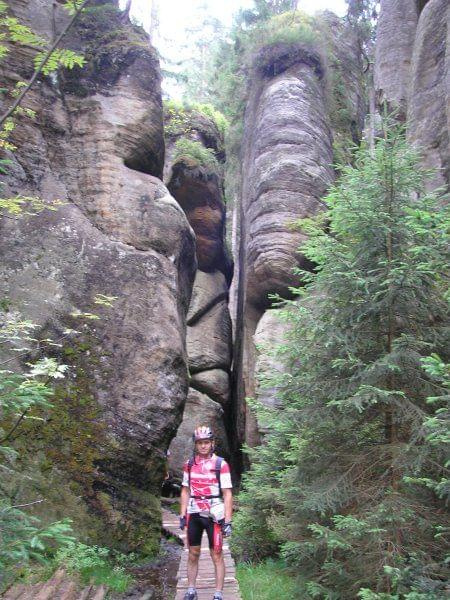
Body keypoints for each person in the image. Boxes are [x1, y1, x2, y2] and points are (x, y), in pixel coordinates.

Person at [179, 425, 233, 600]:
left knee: (216, 554)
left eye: (206, 442)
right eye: (200, 443)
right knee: (193, 553)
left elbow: (227, 493)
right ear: (195, 444)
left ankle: (218, 593)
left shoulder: (220, 464)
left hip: (214, 514)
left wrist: (228, 520)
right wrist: (181, 515)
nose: (203, 446)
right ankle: (191, 589)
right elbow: (185, 490)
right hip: (194, 513)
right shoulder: (189, 465)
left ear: (212, 443)